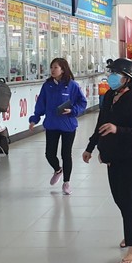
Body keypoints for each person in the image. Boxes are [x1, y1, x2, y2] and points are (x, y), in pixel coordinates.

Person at [83, 58, 132, 263]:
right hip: (113, 156)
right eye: (111, 73)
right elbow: (101, 123)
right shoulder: (111, 95)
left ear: (128, 79)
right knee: (119, 198)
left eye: (116, 74)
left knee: (129, 201)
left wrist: (117, 129)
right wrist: (91, 146)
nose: (111, 78)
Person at [28, 58, 87, 194]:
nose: (53, 70)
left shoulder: (72, 85)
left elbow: (82, 102)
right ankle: (57, 169)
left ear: (63, 69)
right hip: (52, 125)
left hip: (68, 125)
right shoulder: (47, 86)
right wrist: (34, 119)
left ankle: (67, 182)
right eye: (52, 67)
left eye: (56, 67)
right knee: (49, 154)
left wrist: (73, 111)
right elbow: (41, 104)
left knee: (66, 154)